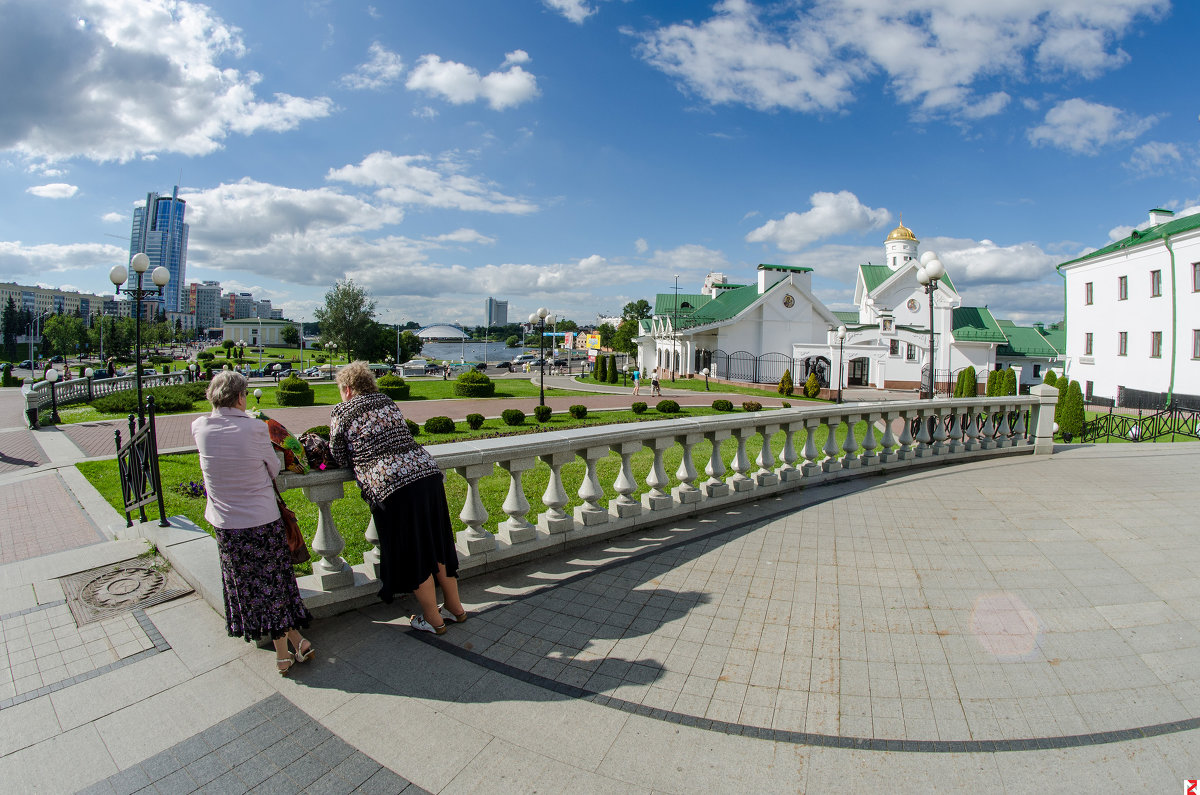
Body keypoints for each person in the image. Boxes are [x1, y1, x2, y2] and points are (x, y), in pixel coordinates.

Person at [191, 370, 314, 676]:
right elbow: (273, 469)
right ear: (241, 397)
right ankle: (283, 653)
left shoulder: (199, 427)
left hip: (226, 524)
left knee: (252, 587)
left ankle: (296, 640)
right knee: (273, 585)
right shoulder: (254, 428)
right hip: (261, 518)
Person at [330, 361, 465, 634]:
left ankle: (432, 619)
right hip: (426, 474)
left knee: (413, 550)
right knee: (437, 542)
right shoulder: (387, 401)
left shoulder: (342, 411)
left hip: (393, 485)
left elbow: (338, 454)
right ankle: (455, 607)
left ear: (347, 389)